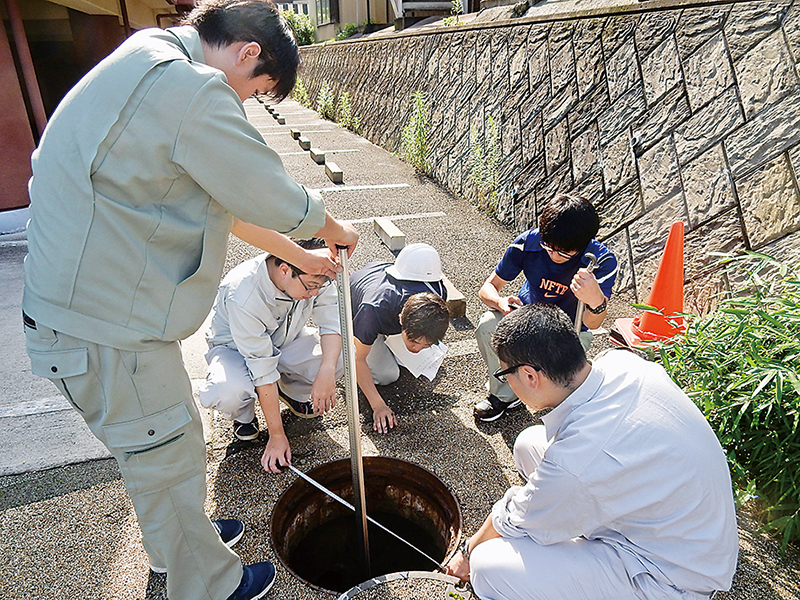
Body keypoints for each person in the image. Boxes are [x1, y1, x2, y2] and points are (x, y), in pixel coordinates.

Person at [21, 2, 358, 599]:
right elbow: (261, 188)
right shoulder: (188, 86)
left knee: (151, 456)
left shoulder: (139, 60)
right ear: (249, 52)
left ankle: (175, 546)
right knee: (168, 456)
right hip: (108, 332)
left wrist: (304, 258)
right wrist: (329, 228)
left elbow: (223, 202)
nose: (247, 103)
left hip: (83, 321)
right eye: (257, 91)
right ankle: (207, 584)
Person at [446, 303, 738, 600]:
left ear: (531, 376)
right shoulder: (623, 363)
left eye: (503, 373)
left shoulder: (577, 460)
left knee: (489, 566)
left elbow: (516, 517)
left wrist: (468, 553)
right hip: (687, 531)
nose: (504, 380)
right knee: (528, 444)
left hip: (668, 576)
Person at [199, 238, 343, 473]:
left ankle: (290, 391)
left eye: (320, 286)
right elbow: (261, 365)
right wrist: (276, 435)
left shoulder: (314, 272)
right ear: (285, 270)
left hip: (286, 341)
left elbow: (333, 323)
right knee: (227, 391)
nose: (315, 293)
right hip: (235, 352)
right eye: (310, 287)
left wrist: (327, 371)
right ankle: (244, 416)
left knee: (340, 357)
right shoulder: (243, 293)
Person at [474, 193, 618, 422]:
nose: (554, 255)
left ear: (583, 245)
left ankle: (566, 407)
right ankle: (504, 395)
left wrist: (594, 299)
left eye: (564, 252)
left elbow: (592, 324)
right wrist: (501, 302)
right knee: (488, 325)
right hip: (526, 316)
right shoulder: (528, 243)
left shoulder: (600, 261)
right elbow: (489, 287)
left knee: (567, 366)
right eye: (548, 247)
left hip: (569, 329)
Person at [350, 243, 450, 433]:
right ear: (401, 320)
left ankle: (393, 345)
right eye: (414, 342)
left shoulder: (437, 296)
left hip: (384, 285)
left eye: (425, 344)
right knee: (387, 375)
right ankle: (353, 340)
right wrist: (378, 406)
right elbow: (357, 359)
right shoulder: (373, 309)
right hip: (355, 305)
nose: (417, 348)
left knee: (420, 361)